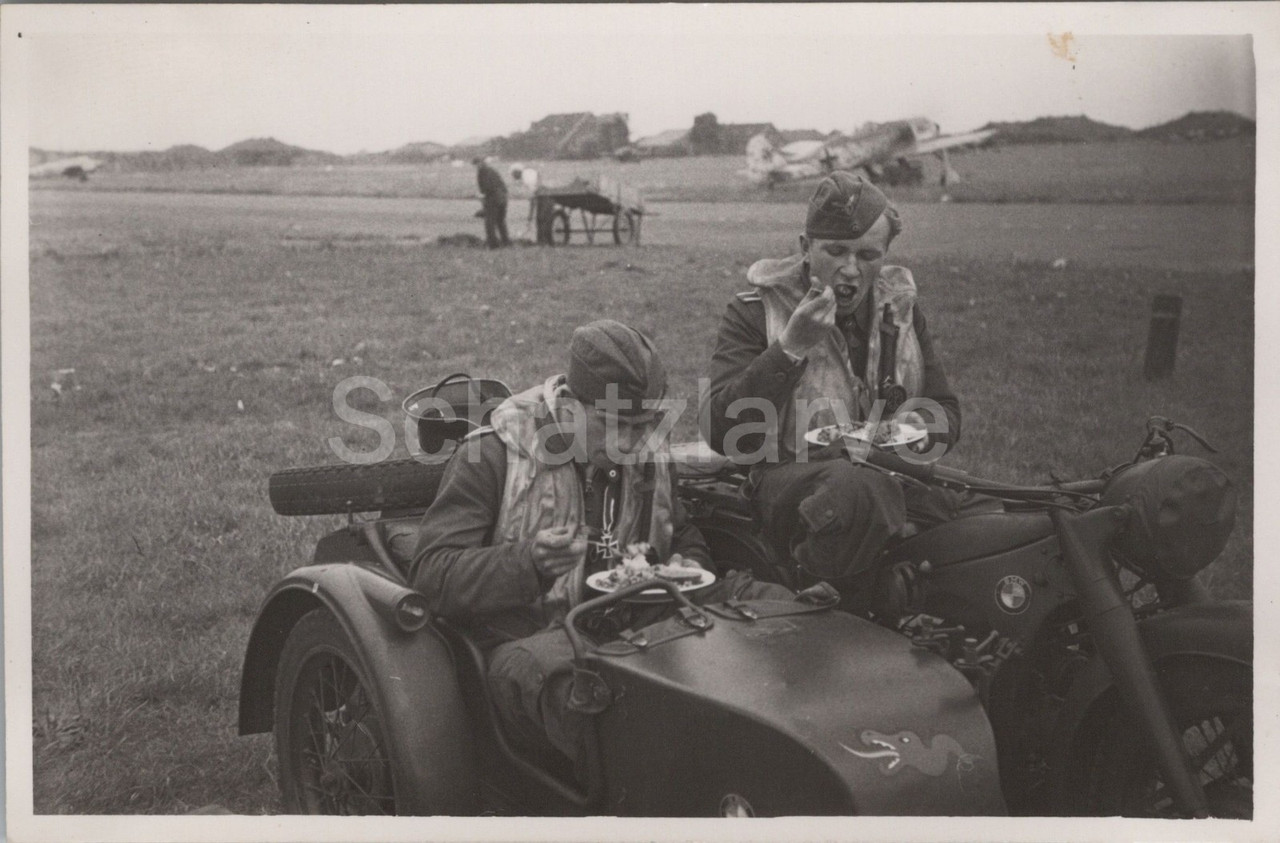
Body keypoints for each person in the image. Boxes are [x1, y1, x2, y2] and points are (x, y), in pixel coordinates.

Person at [411, 320, 792, 774]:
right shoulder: (492, 456)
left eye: (645, 425)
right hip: (533, 637)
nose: (633, 443)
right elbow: (432, 576)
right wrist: (528, 562)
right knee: (589, 697)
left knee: (776, 608)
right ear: (569, 408)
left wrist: (688, 562)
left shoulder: (644, 446)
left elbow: (682, 531)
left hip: (642, 614)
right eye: (617, 425)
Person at [704, 172, 965, 588]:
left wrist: (892, 437)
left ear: (885, 253)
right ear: (806, 248)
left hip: (888, 476)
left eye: (867, 256)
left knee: (991, 519)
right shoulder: (756, 311)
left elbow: (946, 413)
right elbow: (722, 431)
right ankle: (817, 606)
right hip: (787, 483)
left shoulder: (902, 310)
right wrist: (790, 347)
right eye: (836, 251)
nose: (850, 271)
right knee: (858, 491)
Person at [474, 156, 511, 249]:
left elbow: (486, 188)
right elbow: (502, 185)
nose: (476, 166)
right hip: (503, 198)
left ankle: (493, 246)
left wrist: (482, 196)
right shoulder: (493, 171)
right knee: (500, 221)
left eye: (476, 164)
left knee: (489, 223)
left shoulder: (482, 172)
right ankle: (506, 242)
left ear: (479, 164)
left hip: (493, 199)